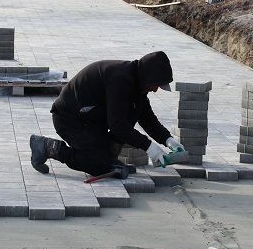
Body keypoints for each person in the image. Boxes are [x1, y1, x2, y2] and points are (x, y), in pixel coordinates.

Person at [29, 51, 185, 178]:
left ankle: (109, 157)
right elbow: (116, 125)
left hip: (91, 118)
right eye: (156, 84)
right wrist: (150, 147)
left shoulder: (137, 83)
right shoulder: (120, 80)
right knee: (97, 165)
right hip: (69, 118)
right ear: (148, 77)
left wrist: (168, 140)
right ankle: (46, 146)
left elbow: (147, 118)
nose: (156, 89)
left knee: (136, 109)